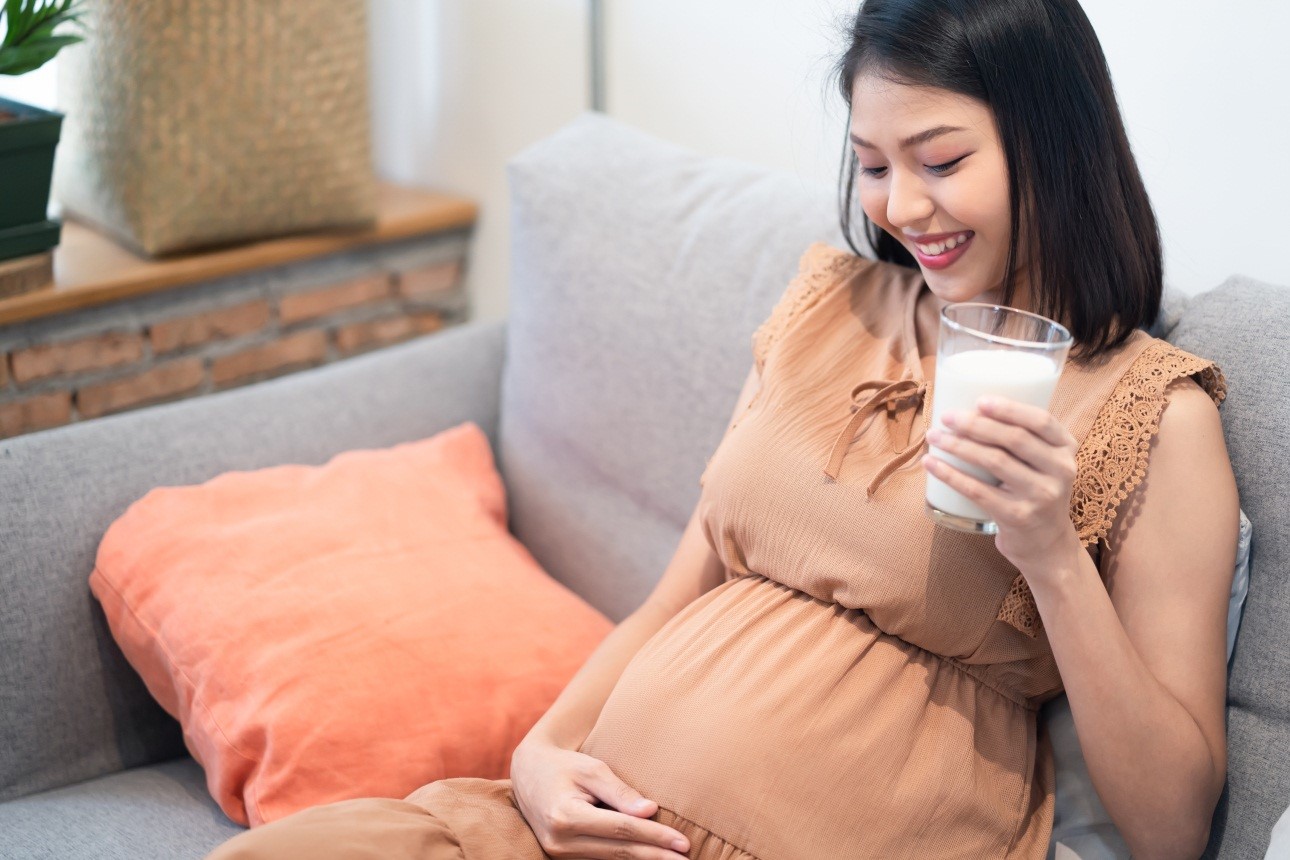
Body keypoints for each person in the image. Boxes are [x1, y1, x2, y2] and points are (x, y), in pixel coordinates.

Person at [207, 0, 1239, 857]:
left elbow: (1172, 824)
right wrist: (538, 756)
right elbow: (678, 591)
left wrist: (1054, 555)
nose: (903, 207)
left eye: (940, 158)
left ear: (1052, 144)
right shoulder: (828, 307)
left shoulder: (1155, 411)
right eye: (873, 164)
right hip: (589, 820)